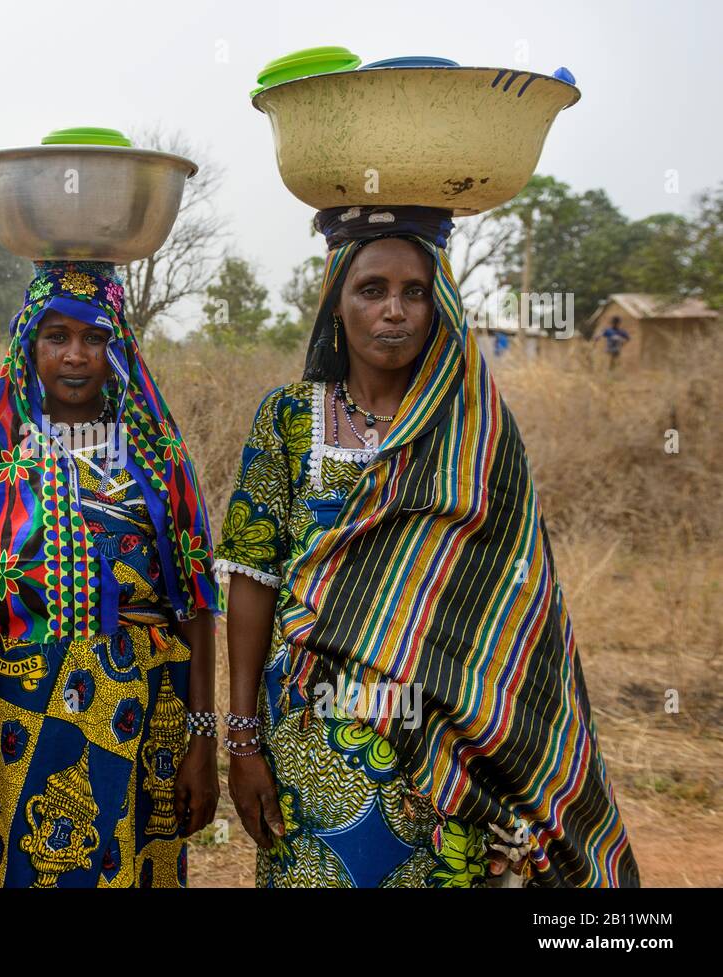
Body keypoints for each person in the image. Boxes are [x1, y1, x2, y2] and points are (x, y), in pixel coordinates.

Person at [216, 206, 638, 888]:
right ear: (336, 302)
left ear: (440, 303)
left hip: (450, 754)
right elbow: (252, 577)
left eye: (416, 291)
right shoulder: (289, 417)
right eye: (371, 289)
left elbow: (520, 602)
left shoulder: (477, 429)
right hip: (310, 741)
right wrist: (241, 742)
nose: (394, 311)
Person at [0, 261, 219, 888]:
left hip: (138, 716)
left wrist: (203, 740)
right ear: (28, 345)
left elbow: (192, 600)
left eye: (95, 338)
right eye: (56, 337)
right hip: (6, 715)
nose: (75, 356)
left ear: (119, 348)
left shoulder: (157, 452)